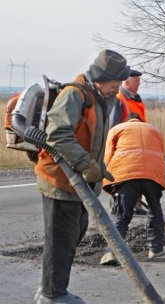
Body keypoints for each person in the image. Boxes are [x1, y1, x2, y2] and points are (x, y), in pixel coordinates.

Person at [33, 49, 130, 304]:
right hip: (60, 180)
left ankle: (52, 289)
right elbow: (58, 135)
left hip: (80, 183)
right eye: (114, 83)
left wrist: (99, 167)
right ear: (101, 77)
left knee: (73, 235)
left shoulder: (99, 97)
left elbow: (91, 138)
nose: (117, 88)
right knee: (60, 241)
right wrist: (87, 165)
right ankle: (51, 295)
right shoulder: (75, 95)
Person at [99, 113, 165, 265]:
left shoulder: (117, 129)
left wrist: (111, 185)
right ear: (141, 121)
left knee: (122, 214)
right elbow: (160, 154)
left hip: (126, 173)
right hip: (153, 173)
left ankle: (112, 252)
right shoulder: (154, 130)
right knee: (155, 209)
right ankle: (156, 249)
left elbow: (108, 156)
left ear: (128, 120)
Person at [110, 69, 148, 215]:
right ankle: (116, 205)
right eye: (136, 81)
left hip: (138, 145)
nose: (139, 83)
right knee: (121, 176)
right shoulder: (119, 99)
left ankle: (136, 204)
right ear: (126, 82)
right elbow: (114, 126)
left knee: (137, 175)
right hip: (124, 146)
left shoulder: (136, 99)